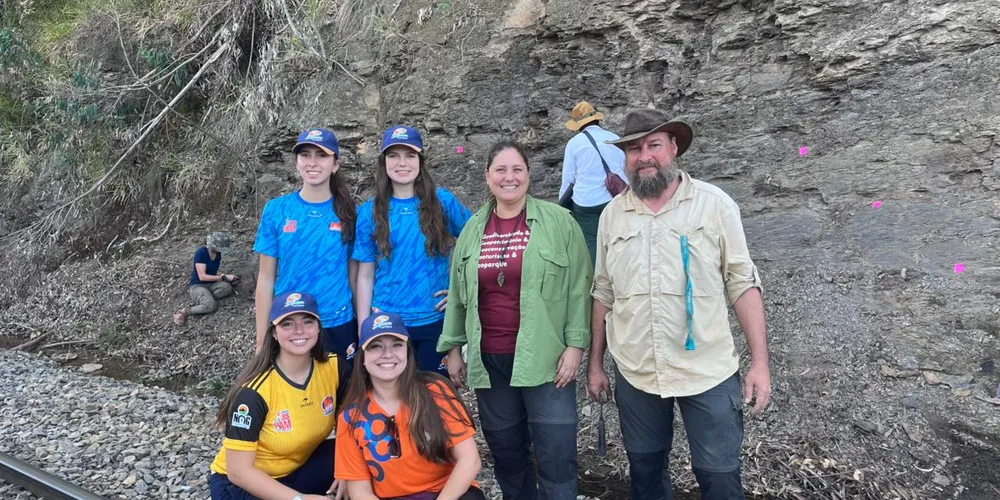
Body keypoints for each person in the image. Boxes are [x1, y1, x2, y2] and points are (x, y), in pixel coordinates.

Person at [587, 109, 772, 500]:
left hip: (707, 369)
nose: (644, 156)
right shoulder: (612, 216)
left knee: (719, 477)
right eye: (634, 149)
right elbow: (603, 292)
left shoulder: (715, 205)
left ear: (673, 147)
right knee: (646, 474)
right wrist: (596, 364)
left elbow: (742, 282)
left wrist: (760, 363)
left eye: (654, 144)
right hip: (637, 371)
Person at [438, 141, 593, 500]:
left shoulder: (559, 222)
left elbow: (580, 286)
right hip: (491, 364)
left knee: (556, 455)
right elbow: (459, 294)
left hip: (547, 361)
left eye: (517, 170)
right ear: (488, 177)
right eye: (501, 170)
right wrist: (453, 349)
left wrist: (575, 346)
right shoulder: (473, 230)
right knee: (508, 455)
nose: (510, 178)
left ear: (528, 174)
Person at [353, 125, 471, 377]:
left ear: (421, 161)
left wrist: (462, 291)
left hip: (434, 319)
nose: (402, 163)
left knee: (434, 398)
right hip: (387, 322)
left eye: (410, 155)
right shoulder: (369, 211)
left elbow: (478, 242)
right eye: (394, 155)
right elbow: (365, 274)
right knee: (393, 400)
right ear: (384, 162)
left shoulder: (443, 201)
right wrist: (365, 327)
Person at [209, 291, 350, 500]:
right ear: (274, 332)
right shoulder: (253, 393)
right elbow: (238, 472)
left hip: (296, 470)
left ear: (318, 327)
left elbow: (352, 421)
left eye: (308, 321)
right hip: (241, 484)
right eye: (287, 324)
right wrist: (299, 499)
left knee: (359, 454)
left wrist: (349, 470)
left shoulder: (334, 367)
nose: (299, 330)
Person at [336, 311, 484, 500]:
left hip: (446, 493)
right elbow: (360, 492)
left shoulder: (435, 391)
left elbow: (470, 460)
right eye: (376, 346)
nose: (387, 354)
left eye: (396, 345)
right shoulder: (350, 417)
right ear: (362, 359)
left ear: (408, 352)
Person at [253, 128, 359, 363]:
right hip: (291, 325)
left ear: (335, 165)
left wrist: (363, 327)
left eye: (322, 156)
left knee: (343, 397)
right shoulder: (277, 210)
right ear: (297, 163)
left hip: (338, 324)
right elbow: (266, 279)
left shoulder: (351, 213)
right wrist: (262, 339)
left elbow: (355, 277)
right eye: (305, 155)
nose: (313, 162)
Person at [559, 101, 628, 264]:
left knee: (592, 247)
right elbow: (626, 171)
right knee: (618, 240)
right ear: (597, 119)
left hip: (586, 203)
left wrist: (561, 207)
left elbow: (569, 179)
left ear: (578, 125)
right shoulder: (614, 138)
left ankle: (597, 283)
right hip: (614, 200)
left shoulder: (574, 144)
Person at [174, 231, 239, 325]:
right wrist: (222, 277)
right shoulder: (201, 253)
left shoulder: (218, 254)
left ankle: (205, 300)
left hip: (211, 284)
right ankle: (185, 312)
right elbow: (202, 276)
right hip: (198, 286)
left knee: (227, 287)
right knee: (211, 306)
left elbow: (214, 270)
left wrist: (226, 277)